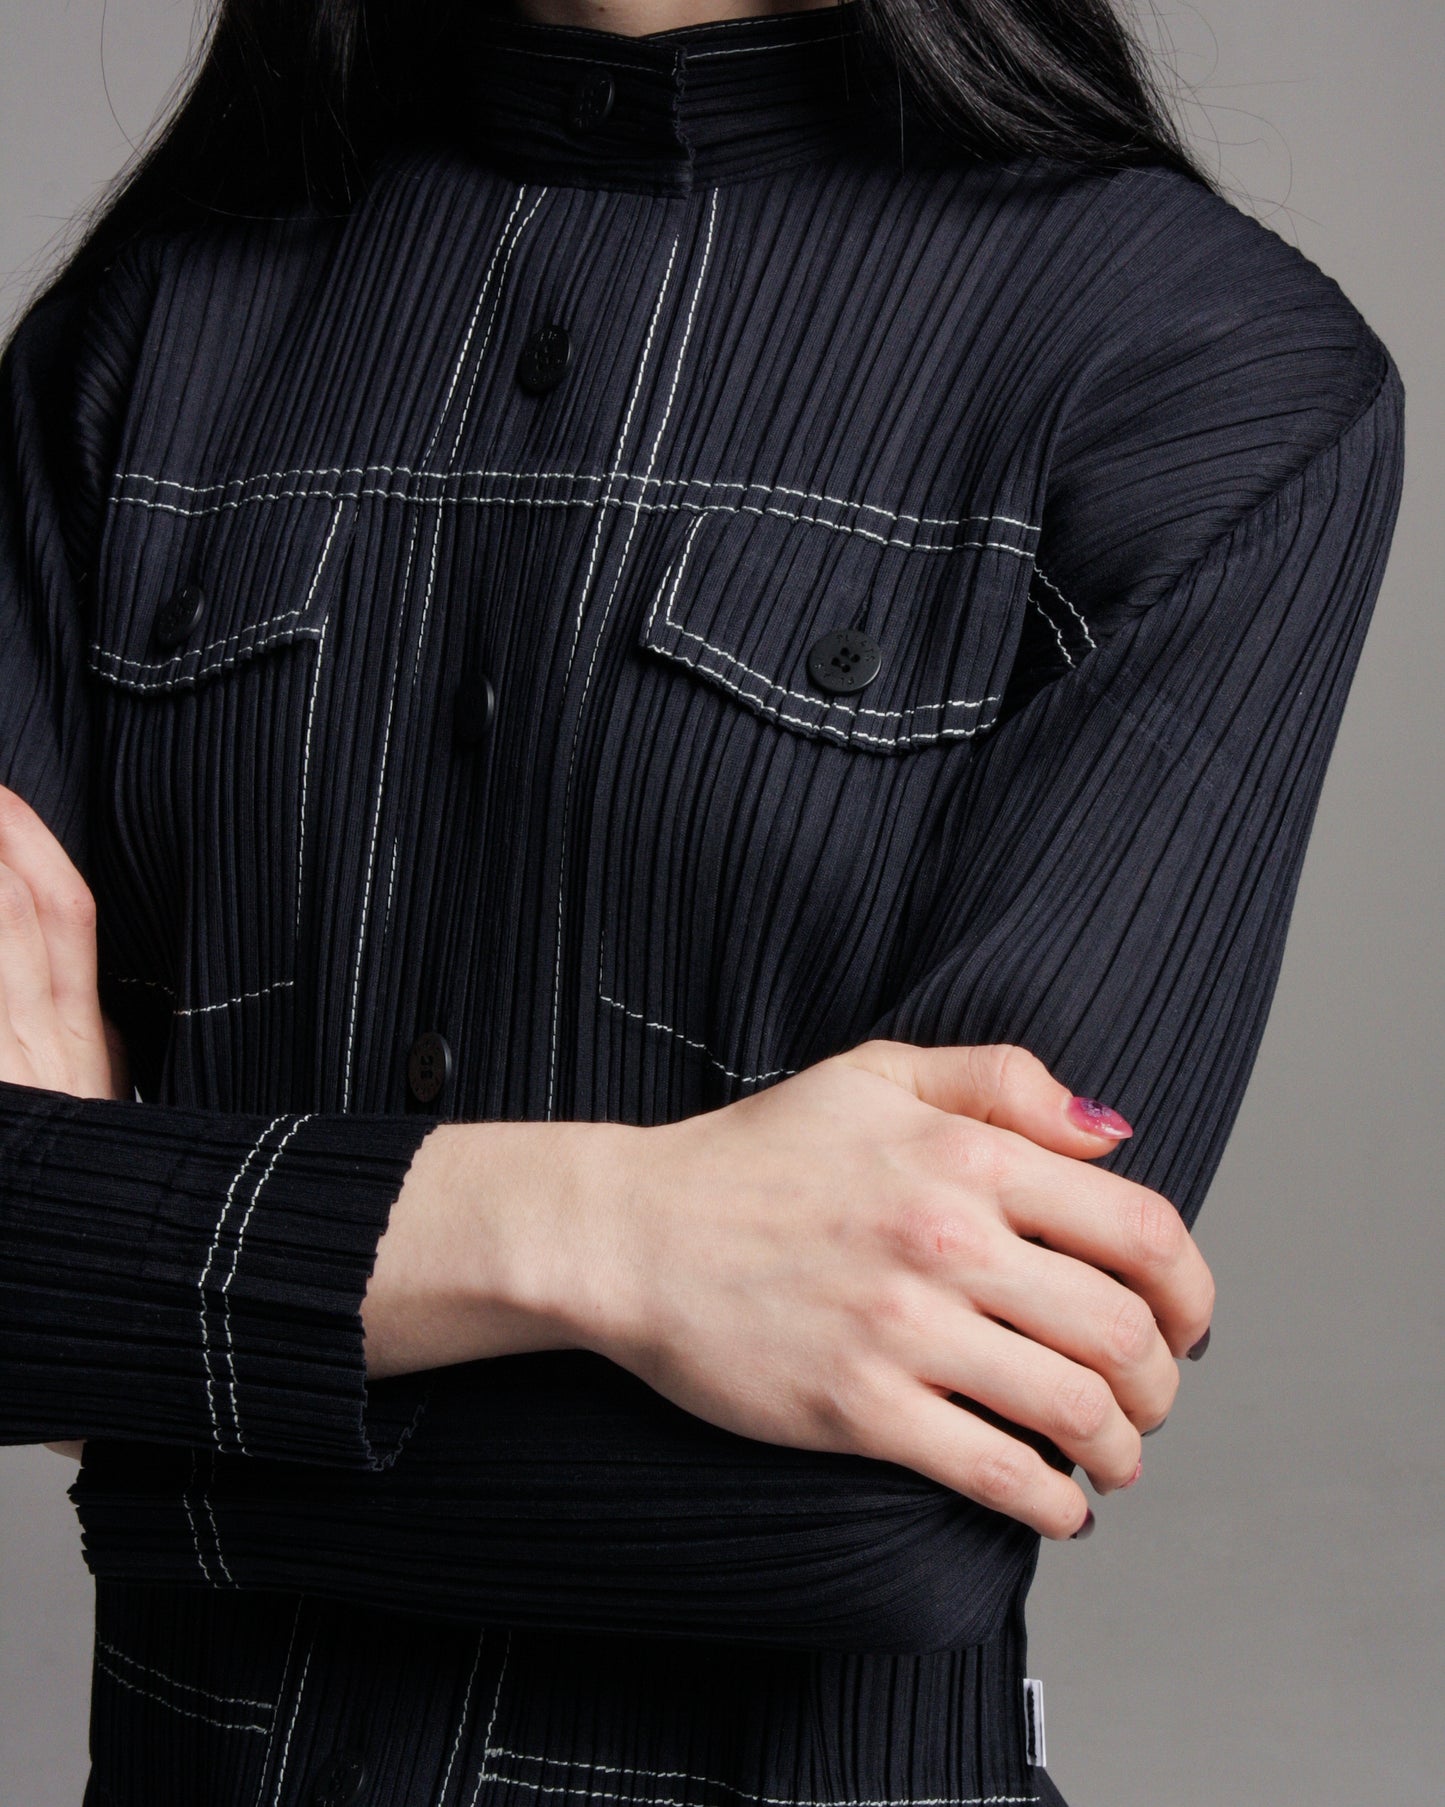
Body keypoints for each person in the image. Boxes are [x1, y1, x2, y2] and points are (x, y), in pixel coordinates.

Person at [0, 0, 1404, 1803]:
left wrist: (118, 1338)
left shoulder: (1194, 367)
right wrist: (605, 1234)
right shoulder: (138, 334)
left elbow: (887, 1516)